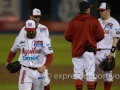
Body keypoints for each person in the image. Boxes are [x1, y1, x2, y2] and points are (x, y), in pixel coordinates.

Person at [64, 1, 104, 90]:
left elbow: (67, 36)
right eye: (89, 8)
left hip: (76, 50)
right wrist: (93, 40)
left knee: (78, 75)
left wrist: (75, 40)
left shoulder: (73, 21)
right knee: (90, 75)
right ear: (87, 9)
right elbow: (101, 35)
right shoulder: (93, 20)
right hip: (89, 51)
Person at [5, 19, 53, 90]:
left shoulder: (43, 39)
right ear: (25, 29)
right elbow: (13, 51)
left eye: (32, 30)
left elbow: (50, 56)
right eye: (28, 30)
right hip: (25, 70)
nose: (30, 32)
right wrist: (7, 62)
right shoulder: (19, 38)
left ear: (36, 28)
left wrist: (44, 67)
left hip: (39, 71)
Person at [18, 8, 51, 90]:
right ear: (30, 16)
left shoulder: (44, 28)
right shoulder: (24, 29)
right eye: (35, 16)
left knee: (45, 82)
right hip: (28, 62)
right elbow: (20, 45)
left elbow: (47, 46)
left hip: (41, 62)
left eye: (38, 17)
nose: (37, 18)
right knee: (28, 82)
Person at [95, 2, 120, 90]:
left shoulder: (114, 23)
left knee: (107, 75)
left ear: (108, 10)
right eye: (100, 10)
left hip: (107, 52)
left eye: (102, 10)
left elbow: (116, 39)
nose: (100, 12)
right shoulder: (97, 21)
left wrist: (112, 52)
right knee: (91, 75)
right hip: (95, 51)